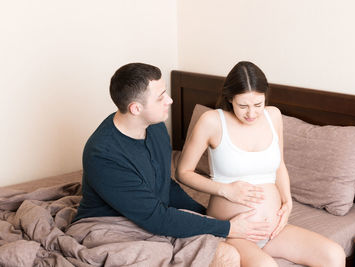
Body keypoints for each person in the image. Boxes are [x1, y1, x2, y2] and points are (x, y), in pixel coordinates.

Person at [74, 62, 272, 267]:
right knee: (226, 256)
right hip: (110, 225)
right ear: (135, 108)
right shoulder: (102, 154)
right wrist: (227, 227)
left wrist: (205, 214)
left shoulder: (156, 126)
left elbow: (164, 184)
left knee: (225, 250)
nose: (170, 100)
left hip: (149, 214)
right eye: (160, 97)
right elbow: (156, 218)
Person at [176, 61, 346, 267]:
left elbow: (279, 165)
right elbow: (183, 172)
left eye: (258, 104)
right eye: (243, 106)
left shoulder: (273, 115)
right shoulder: (212, 121)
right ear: (230, 98)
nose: (252, 113)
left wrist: (287, 201)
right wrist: (226, 190)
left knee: (334, 255)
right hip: (233, 231)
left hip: (273, 229)